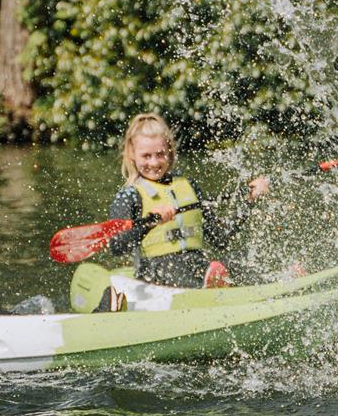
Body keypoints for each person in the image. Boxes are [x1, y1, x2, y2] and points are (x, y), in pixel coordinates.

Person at [105, 112, 270, 289]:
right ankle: (211, 284)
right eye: (146, 156)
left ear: (169, 151)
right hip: (156, 274)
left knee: (240, 261)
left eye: (160, 154)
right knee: (180, 267)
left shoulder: (188, 186)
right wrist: (150, 223)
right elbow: (117, 246)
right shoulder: (129, 195)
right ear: (132, 155)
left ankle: (275, 280)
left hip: (196, 265)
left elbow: (220, 238)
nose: (154, 163)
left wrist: (249, 201)